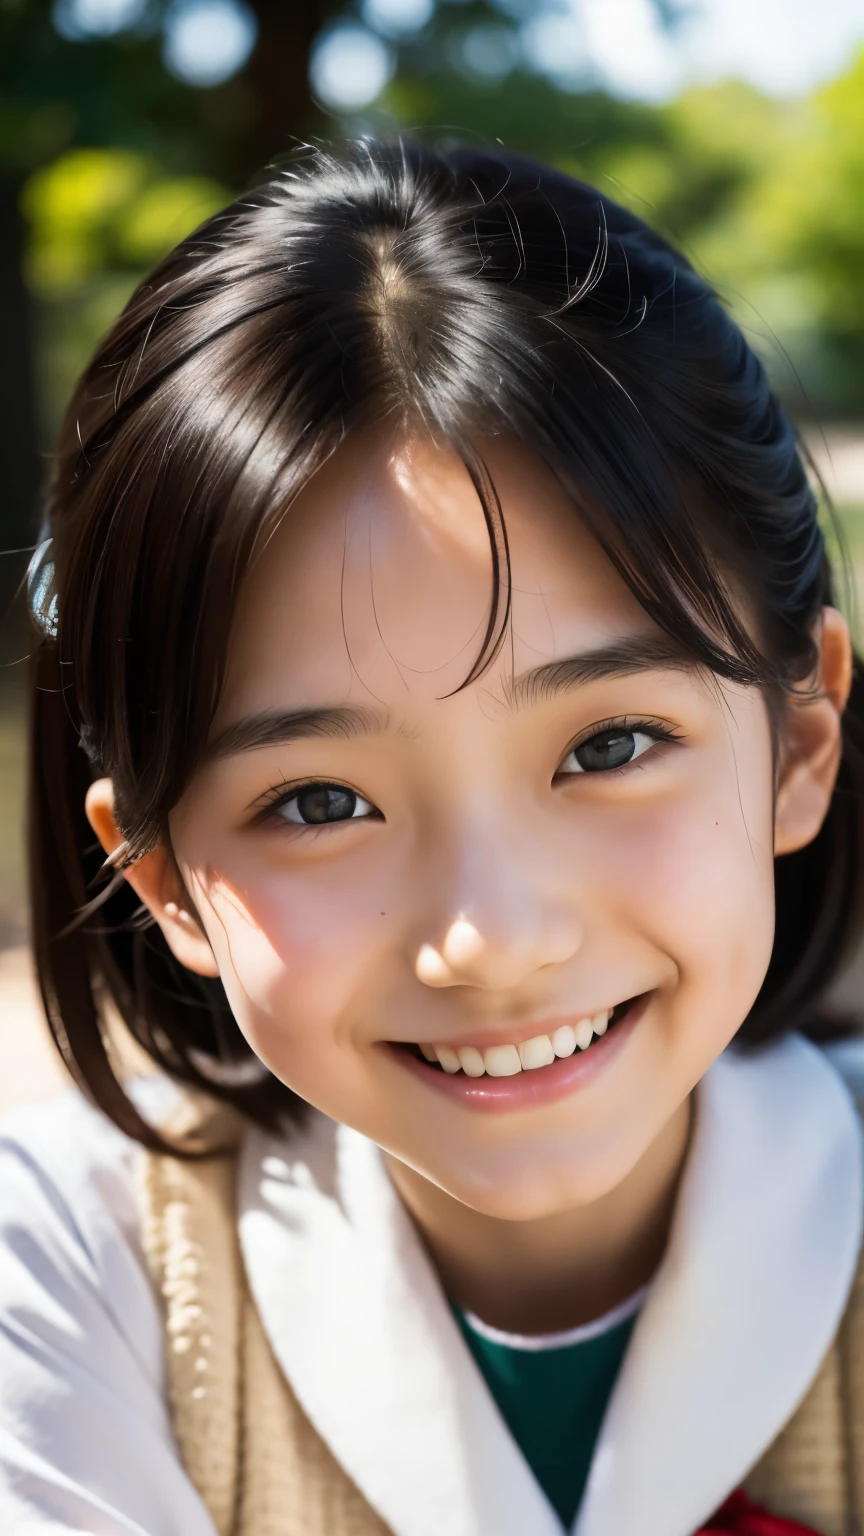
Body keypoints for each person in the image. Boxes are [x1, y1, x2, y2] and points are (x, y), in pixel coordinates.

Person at [1, 138, 863, 1536]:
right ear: (160, 876)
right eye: (319, 803)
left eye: (608, 747)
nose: (494, 937)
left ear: (801, 743)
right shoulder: (70, 1285)